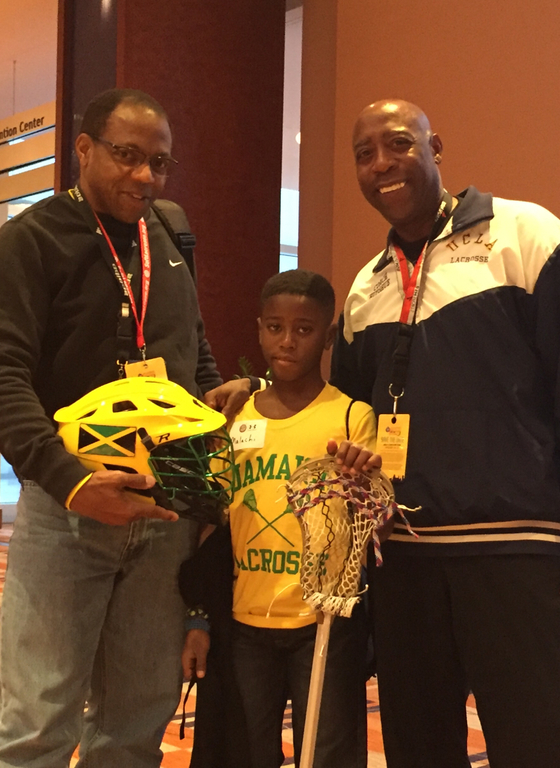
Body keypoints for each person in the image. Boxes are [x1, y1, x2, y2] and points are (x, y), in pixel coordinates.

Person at [330, 99, 560, 768]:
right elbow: (350, 416)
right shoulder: (366, 286)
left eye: (398, 144)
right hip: (404, 559)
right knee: (418, 749)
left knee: (540, 746)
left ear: (435, 148)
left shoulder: (526, 234)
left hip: (514, 552)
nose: (382, 163)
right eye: (364, 154)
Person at [0, 88, 249, 768]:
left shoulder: (169, 234)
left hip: (164, 516)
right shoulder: (33, 238)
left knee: (135, 726)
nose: (145, 176)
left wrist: (211, 405)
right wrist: (70, 483)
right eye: (127, 156)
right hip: (69, 512)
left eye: (160, 162)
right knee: (36, 725)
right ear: (84, 149)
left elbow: (191, 349)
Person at [182, 269, 378, 768]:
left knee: (326, 750)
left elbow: (376, 523)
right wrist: (199, 615)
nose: (287, 341)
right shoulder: (237, 417)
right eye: (274, 328)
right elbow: (214, 523)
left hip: (322, 621)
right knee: (247, 750)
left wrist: (364, 491)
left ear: (327, 337)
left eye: (304, 330)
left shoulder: (351, 417)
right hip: (247, 620)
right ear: (259, 328)